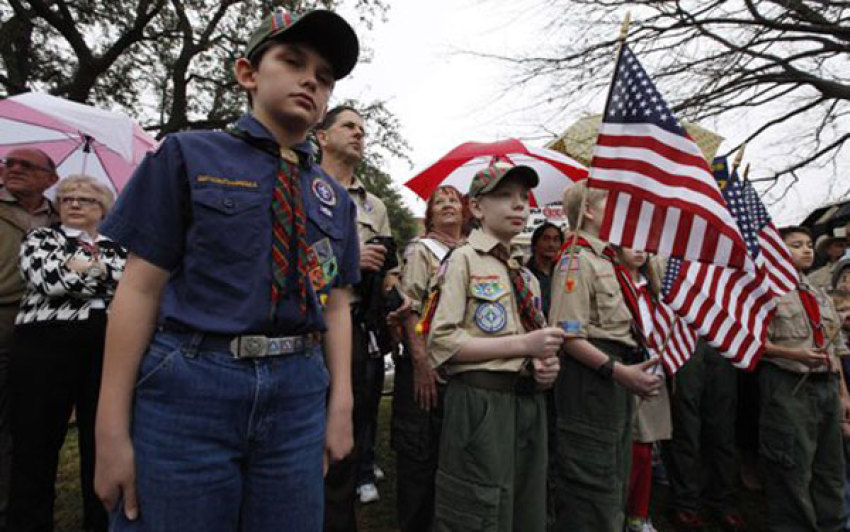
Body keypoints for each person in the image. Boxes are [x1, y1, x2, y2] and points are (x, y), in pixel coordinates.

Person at [93, 9, 361, 531]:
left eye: (324, 77)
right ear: (248, 73)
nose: (311, 79)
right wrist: (109, 427)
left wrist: (341, 403)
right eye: (292, 61)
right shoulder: (187, 154)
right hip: (191, 386)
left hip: (298, 393)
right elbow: (140, 290)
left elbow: (337, 303)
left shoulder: (335, 199)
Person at [426, 161, 563, 531]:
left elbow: (536, 343)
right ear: (476, 208)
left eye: (523, 197)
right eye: (504, 196)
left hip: (527, 403)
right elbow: (441, 342)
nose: (518, 204)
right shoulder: (462, 261)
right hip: (481, 403)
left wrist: (545, 368)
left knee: (527, 506)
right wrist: (523, 344)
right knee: (479, 509)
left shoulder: (525, 275)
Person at [7, 175, 125, 532]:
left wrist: (83, 269)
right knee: (34, 443)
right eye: (68, 198)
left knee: (98, 438)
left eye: (86, 200)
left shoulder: (119, 247)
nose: (74, 204)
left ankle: (100, 522)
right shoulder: (40, 238)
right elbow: (50, 281)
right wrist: (102, 274)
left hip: (102, 347)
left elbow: (126, 282)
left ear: (103, 209)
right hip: (41, 346)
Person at [548, 180, 663, 532]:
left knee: (614, 474)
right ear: (589, 212)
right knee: (590, 481)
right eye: (613, 203)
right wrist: (619, 372)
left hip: (614, 377)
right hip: (591, 380)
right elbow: (568, 336)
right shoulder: (576, 259)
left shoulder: (607, 259)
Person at [316, 105, 408, 521]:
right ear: (321, 136)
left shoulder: (376, 206)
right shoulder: (300, 187)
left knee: (350, 417)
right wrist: (350, 259)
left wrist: (396, 295)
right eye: (348, 126)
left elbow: (389, 269)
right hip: (303, 323)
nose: (358, 134)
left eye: (362, 129)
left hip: (354, 326)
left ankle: (342, 503)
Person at [760, 226, 850, 531]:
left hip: (825, 387)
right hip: (789, 388)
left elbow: (835, 347)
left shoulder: (818, 293)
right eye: (796, 245)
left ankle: (833, 525)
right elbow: (753, 345)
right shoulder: (765, 292)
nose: (807, 250)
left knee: (831, 470)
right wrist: (796, 355)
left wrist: (843, 393)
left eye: (809, 244)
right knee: (792, 469)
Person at [394, 185, 465, 532]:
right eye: (441, 201)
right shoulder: (422, 251)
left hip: (459, 367)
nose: (448, 205)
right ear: (431, 214)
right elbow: (409, 310)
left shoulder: (472, 252)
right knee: (419, 457)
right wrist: (421, 364)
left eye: (454, 200)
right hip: (425, 366)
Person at [0, 149, 59, 529]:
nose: (15, 169)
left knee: (26, 425)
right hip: (2, 320)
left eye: (27, 165)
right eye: (10, 163)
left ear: (50, 179)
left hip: (42, 330)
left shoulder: (63, 218)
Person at [606, 247, 672, 532]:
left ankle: (640, 514)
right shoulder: (612, 282)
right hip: (624, 372)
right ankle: (622, 513)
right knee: (631, 450)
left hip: (654, 370)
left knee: (647, 447)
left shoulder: (652, 288)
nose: (640, 250)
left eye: (645, 244)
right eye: (631, 243)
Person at [665, 339, 745, 531]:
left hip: (720, 338)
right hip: (683, 336)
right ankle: (685, 503)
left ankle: (722, 500)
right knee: (685, 427)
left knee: (723, 428)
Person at [526, 222, 562, 319]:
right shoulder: (525, 274)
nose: (551, 244)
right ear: (535, 244)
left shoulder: (563, 273)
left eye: (556, 240)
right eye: (546, 239)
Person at [810, 226, 848, 290]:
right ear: (828, 250)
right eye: (839, 245)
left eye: (847, 245)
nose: (845, 249)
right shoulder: (815, 276)